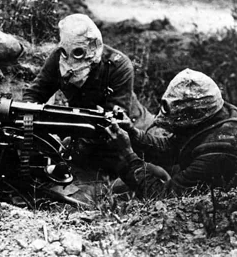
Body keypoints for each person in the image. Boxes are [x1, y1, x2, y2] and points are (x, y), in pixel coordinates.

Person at [22, 13, 153, 173]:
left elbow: (114, 125)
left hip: (130, 130)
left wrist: (72, 146)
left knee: (137, 174)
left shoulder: (118, 66)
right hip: (85, 128)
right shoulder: (58, 57)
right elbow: (35, 93)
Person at [104, 68, 237, 199]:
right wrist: (133, 135)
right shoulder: (213, 113)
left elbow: (164, 197)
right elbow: (172, 148)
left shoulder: (220, 150)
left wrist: (128, 156)